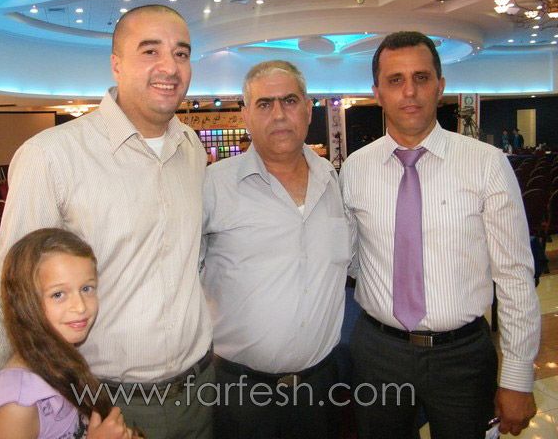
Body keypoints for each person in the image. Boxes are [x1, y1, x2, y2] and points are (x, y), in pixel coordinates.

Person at [0, 4, 214, 439]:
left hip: (201, 391)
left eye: (181, 53)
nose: (170, 67)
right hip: (103, 404)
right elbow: (8, 287)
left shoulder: (192, 149)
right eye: (150, 51)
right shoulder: (52, 157)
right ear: (116, 65)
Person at [339, 31, 540, 439]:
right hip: (378, 354)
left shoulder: (486, 164)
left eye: (421, 77)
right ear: (377, 93)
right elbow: (353, 259)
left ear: (440, 86)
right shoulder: (355, 169)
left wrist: (517, 377)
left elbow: (515, 277)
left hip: (462, 357)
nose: (409, 91)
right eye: (395, 80)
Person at [201, 60, 354, 438]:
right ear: (246, 115)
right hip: (239, 392)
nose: (279, 114)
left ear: (308, 109)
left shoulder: (336, 183)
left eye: (289, 101)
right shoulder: (213, 186)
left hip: (322, 388)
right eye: (265, 104)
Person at [0, 228, 137, 439]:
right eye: (58, 294)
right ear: (24, 302)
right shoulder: (16, 404)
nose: (80, 307)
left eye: (87, 288)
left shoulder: (61, 359)